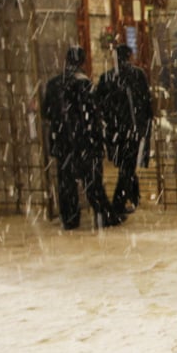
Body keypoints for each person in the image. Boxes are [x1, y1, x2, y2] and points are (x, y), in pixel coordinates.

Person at [40, 46, 118, 231]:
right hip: (84, 141)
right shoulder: (84, 85)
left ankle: (69, 218)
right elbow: (94, 114)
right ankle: (103, 215)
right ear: (82, 62)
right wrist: (98, 139)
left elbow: (46, 113)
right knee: (92, 181)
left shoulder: (53, 84)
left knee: (66, 182)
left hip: (62, 142)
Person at [96, 43, 153, 217]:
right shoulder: (138, 75)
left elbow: (99, 105)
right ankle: (118, 204)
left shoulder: (107, 78)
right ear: (129, 56)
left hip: (115, 131)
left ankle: (133, 197)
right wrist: (146, 124)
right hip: (133, 129)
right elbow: (146, 102)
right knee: (127, 167)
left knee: (125, 165)